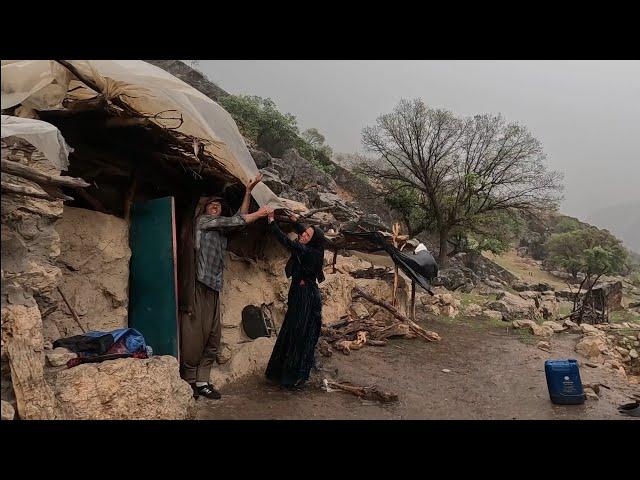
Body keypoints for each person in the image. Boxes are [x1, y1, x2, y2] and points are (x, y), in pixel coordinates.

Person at [182, 173, 271, 399]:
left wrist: (248, 192)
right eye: (212, 205)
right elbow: (237, 220)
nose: (216, 209)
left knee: (213, 336)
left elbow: (237, 218)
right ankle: (189, 381)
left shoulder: (220, 228)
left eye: (218, 207)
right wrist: (260, 214)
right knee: (194, 336)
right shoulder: (202, 222)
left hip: (214, 287)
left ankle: (203, 382)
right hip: (199, 285)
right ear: (205, 209)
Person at [265, 209, 326, 389]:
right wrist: (295, 221)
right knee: (290, 331)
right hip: (300, 292)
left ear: (312, 240)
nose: (303, 235)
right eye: (304, 232)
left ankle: (292, 377)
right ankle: (282, 373)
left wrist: (271, 222)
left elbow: (287, 242)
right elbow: (305, 233)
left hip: (305, 295)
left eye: (307, 234)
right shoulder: (315, 245)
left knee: (298, 334)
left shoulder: (310, 252)